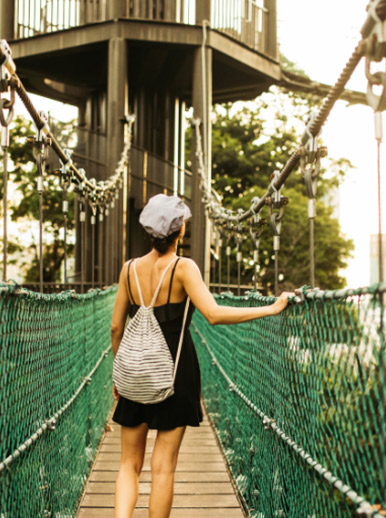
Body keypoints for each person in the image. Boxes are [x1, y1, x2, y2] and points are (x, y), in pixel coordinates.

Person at [109, 193, 293, 518]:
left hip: (135, 372)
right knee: (163, 468)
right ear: (179, 231)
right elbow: (213, 314)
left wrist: (120, 374)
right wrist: (272, 307)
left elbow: (115, 327)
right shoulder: (183, 268)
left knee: (128, 464)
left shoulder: (128, 270)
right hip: (176, 373)